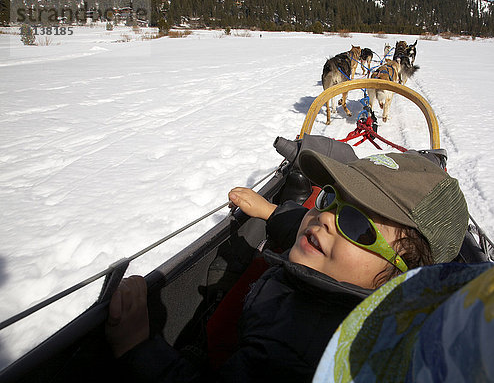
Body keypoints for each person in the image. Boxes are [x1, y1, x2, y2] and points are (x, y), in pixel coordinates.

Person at [105, 149, 469, 382]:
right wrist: (270, 211)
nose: (324, 219)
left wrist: (136, 348)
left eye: (357, 224)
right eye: (329, 199)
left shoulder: (302, 348)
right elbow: (304, 224)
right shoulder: (340, 269)